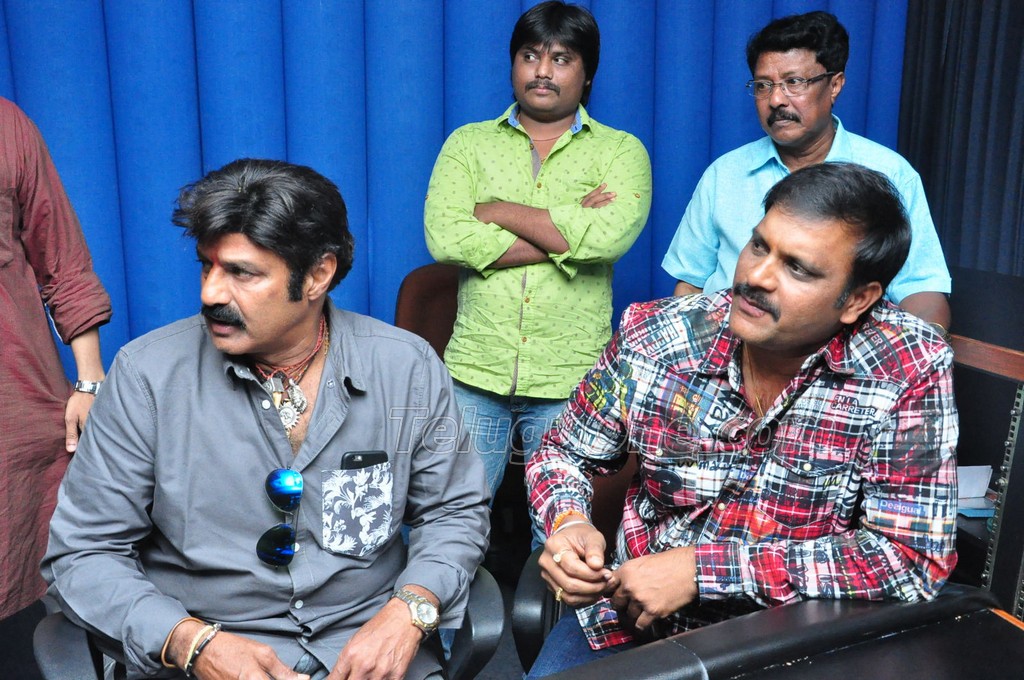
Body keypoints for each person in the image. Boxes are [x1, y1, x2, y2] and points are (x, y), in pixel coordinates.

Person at [43, 159, 489, 680]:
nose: (211, 293)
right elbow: (83, 551)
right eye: (207, 266)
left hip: (364, 645)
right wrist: (188, 642)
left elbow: (454, 511)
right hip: (204, 649)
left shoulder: (406, 367)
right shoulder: (147, 376)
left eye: (242, 273)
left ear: (318, 274)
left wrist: (409, 611)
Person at [525, 162, 958, 676]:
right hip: (631, 626)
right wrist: (569, 521)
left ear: (858, 299)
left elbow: (910, 558)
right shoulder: (657, 335)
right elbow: (561, 453)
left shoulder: (907, 366)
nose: (755, 277)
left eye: (798, 268)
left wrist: (703, 571)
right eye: (758, 246)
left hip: (792, 643)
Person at [424, 1, 652, 515]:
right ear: (513, 64)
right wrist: (568, 226)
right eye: (530, 56)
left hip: (571, 377)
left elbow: (606, 239)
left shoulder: (620, 152)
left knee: (561, 529)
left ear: (587, 74)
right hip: (474, 371)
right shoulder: (468, 144)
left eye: (561, 58)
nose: (542, 71)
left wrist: (495, 210)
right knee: (448, 518)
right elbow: (446, 238)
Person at [661, 11, 952, 331]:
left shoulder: (890, 175)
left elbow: (922, 290)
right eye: (763, 85)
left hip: (842, 356)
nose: (775, 99)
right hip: (727, 347)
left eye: (794, 82)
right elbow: (689, 284)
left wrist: (920, 350)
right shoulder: (724, 174)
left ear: (835, 85)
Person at [0, 97, 110, 636]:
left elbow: (62, 261)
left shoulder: (7, 125)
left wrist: (90, 382)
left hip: (14, 424)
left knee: (23, 616)